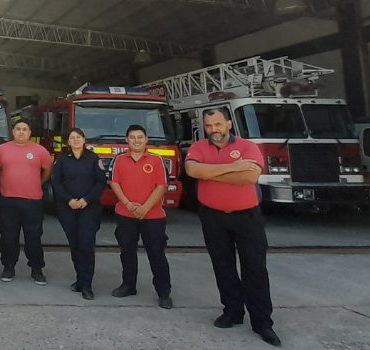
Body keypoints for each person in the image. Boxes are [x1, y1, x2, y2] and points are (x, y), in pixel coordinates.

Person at [184, 108, 280, 347]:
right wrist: (233, 166)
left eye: (218, 124)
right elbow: (192, 170)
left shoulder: (248, 147)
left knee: (255, 269)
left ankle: (262, 323)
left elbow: (250, 178)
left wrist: (210, 173)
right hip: (213, 217)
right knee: (223, 266)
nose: (214, 130)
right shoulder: (198, 148)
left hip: (247, 218)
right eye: (208, 126)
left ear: (228, 124)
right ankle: (233, 312)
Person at [107, 125, 172, 308]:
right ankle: (128, 285)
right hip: (125, 215)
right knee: (127, 252)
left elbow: (162, 186)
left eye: (140, 137)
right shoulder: (119, 160)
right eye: (132, 137)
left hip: (153, 216)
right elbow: (114, 183)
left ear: (146, 140)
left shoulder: (157, 160)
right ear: (127, 140)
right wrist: (128, 204)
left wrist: (145, 208)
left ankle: (164, 292)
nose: (136, 141)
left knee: (157, 254)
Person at [0, 120, 53, 285]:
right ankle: (8, 266)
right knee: (8, 236)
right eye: (18, 129)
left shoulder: (40, 150)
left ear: (29, 133)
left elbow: (48, 169)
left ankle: (36, 269)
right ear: (13, 132)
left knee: (33, 237)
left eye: (24, 129)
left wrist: (38, 183)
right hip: (8, 200)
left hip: (32, 201)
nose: (21, 132)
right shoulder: (1, 150)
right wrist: (5, 183)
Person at [52, 128, 106, 300]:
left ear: (84, 139)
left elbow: (100, 183)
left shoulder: (93, 159)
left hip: (88, 208)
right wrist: (69, 200)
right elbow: (56, 182)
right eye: (71, 138)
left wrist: (86, 200)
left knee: (86, 244)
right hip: (67, 208)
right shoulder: (62, 159)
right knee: (74, 244)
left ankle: (87, 285)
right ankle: (80, 280)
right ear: (68, 142)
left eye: (78, 137)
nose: (75, 140)